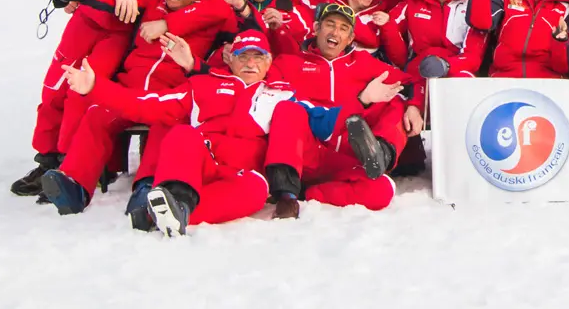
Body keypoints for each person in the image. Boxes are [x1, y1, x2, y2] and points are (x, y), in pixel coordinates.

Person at [12, 0, 228, 196]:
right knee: (56, 83)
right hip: (108, 8)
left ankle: (66, 164)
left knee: (83, 88)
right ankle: (48, 161)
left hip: (131, 20)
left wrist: (166, 21)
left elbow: (218, 3)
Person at [46, 29, 346, 236]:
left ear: (269, 62)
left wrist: (371, 114)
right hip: (199, 162)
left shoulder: (282, 94)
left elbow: (328, 119)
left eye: (258, 57)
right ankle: (175, 199)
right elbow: (147, 104)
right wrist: (95, 87)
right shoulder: (204, 84)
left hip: (240, 173)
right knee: (182, 134)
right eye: (243, 56)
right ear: (231, 59)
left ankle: (168, 213)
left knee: (256, 189)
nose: (250, 63)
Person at [37, 0, 234, 216]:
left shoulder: (213, 12)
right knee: (97, 114)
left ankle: (146, 187)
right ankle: (74, 185)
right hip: (130, 88)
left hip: (168, 92)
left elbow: (220, 8)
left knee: (168, 122)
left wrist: (167, 25)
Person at [268, 3, 416, 214]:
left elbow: (410, 82)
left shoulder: (363, 62)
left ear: (350, 38)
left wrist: (414, 106)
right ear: (316, 28)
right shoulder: (288, 63)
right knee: (287, 109)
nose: (335, 32)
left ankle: (380, 154)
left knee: (382, 188)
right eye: (330, 24)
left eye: (343, 28)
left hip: (346, 157)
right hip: (306, 153)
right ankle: (286, 196)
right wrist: (361, 100)